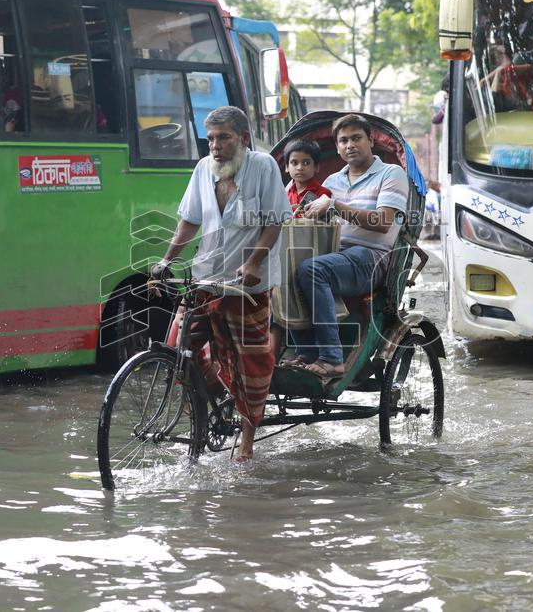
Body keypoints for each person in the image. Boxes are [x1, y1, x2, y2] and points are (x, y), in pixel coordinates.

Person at [153, 106, 291, 461]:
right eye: (211, 138)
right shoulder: (203, 169)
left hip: (249, 286)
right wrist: (167, 260)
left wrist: (254, 261)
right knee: (177, 349)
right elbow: (189, 221)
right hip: (205, 278)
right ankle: (205, 411)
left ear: (243, 139)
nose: (215, 145)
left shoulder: (263, 167)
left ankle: (246, 439)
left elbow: (274, 222)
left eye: (224, 137)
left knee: (251, 363)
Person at [291, 114, 409, 378]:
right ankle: (305, 352)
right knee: (284, 267)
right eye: (343, 141)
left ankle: (332, 359)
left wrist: (334, 205)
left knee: (312, 270)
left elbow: (382, 222)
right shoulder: (332, 181)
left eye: (356, 138)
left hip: (372, 257)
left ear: (371, 140)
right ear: (336, 146)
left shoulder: (391, 173)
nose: (350, 145)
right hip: (335, 254)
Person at [284, 138, 332, 217]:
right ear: (287, 167)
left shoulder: (323, 194)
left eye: (306, 163)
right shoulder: (285, 194)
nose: (300, 167)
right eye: (294, 163)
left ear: (316, 167)